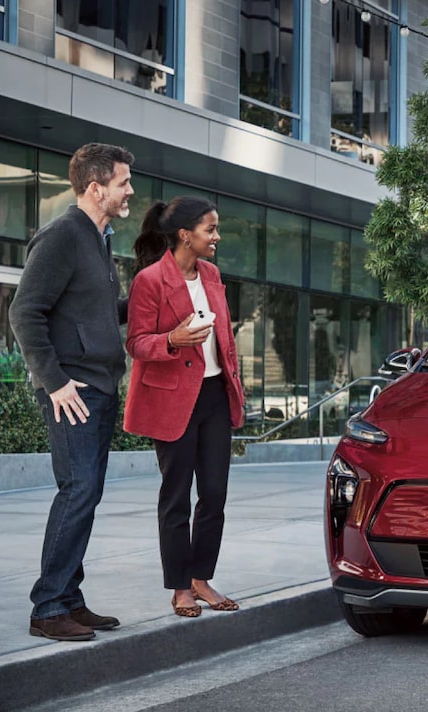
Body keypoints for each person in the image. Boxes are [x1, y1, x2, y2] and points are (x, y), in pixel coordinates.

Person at [9, 142, 135, 641]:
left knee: (88, 493)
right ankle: (48, 607)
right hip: (74, 389)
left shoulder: (98, 239)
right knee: (78, 490)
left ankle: (69, 597)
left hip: (100, 385)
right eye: (123, 182)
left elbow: (99, 313)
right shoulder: (62, 235)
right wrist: (55, 382)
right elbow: (25, 312)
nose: (130, 190)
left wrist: (150, 295)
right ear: (95, 187)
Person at [123, 197, 245, 618]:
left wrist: (234, 381)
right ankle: (180, 588)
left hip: (213, 395)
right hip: (171, 398)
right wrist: (172, 340)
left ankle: (201, 578)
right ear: (184, 235)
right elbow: (136, 342)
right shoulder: (150, 280)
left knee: (214, 495)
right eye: (210, 229)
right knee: (175, 496)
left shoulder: (212, 274)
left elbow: (223, 336)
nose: (217, 237)